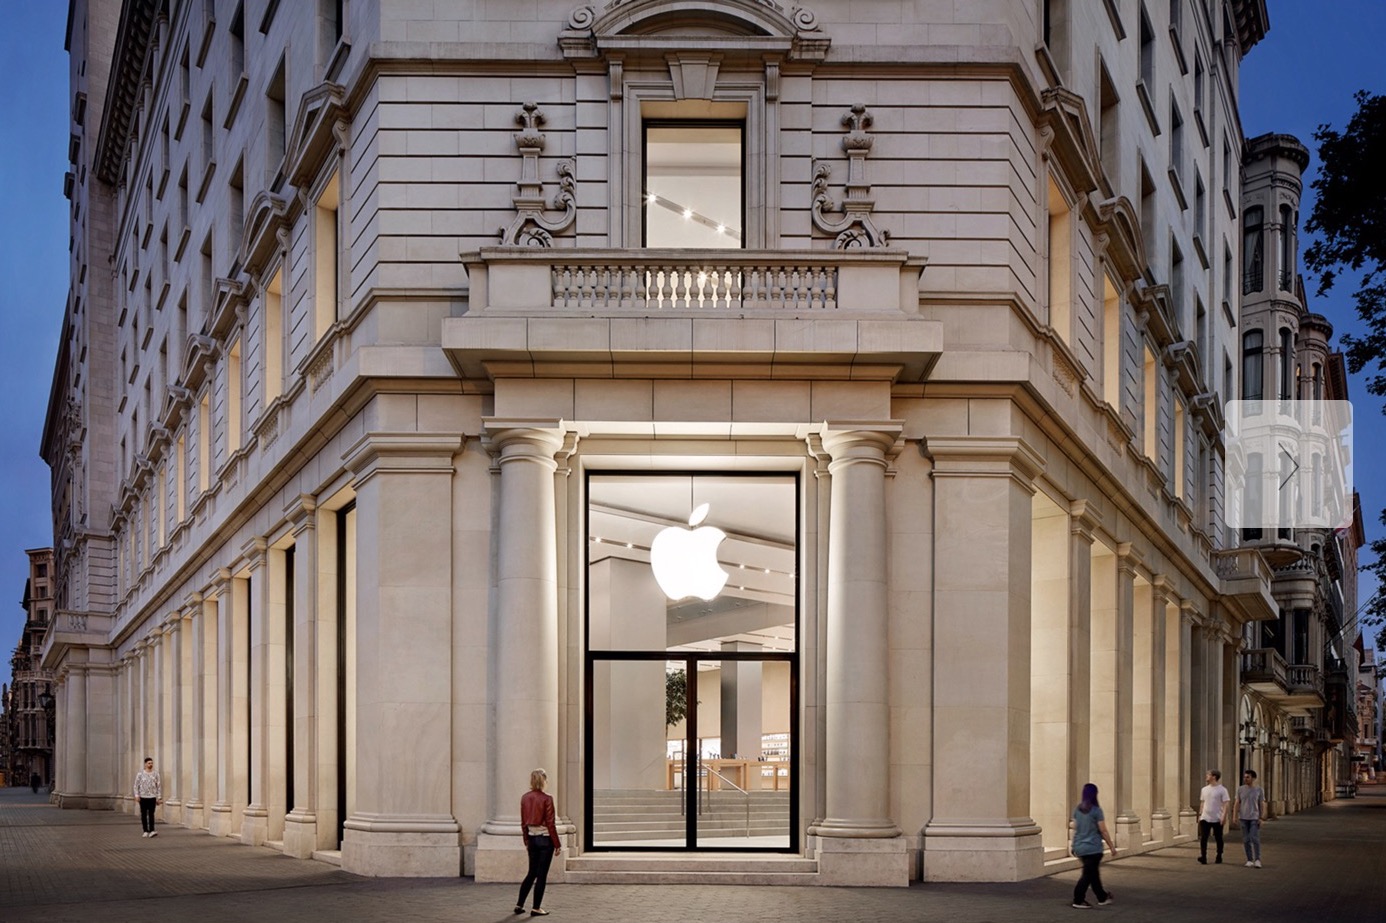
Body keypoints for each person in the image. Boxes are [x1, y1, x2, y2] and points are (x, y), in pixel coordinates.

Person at [514, 768, 561, 917]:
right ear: (544, 780)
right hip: (546, 840)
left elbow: (523, 823)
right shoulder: (547, 799)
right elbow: (550, 823)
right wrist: (557, 844)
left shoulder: (525, 798)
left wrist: (526, 840)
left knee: (531, 873)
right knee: (541, 875)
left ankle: (519, 904)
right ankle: (536, 908)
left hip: (532, 840)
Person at [1070, 782, 1117, 909]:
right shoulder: (1096, 811)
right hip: (1093, 848)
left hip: (1080, 846)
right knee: (1088, 875)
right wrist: (1111, 845)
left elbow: (1075, 828)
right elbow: (1103, 830)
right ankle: (1078, 899)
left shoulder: (1077, 810)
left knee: (1093, 873)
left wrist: (1073, 845)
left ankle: (1102, 897)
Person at [1235, 769, 1267, 868]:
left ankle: (1257, 859)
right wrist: (1234, 815)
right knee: (1246, 839)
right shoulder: (1240, 789)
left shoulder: (1259, 790)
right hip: (1243, 817)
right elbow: (1237, 802)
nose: (1245, 779)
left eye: (1248, 777)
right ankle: (1249, 859)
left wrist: (1262, 817)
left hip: (1254, 817)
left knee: (1254, 838)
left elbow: (1262, 803)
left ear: (1253, 778)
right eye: (1244, 777)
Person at [1197, 768, 1230, 864]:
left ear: (1214, 777)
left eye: (1208, 775)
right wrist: (1200, 814)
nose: (1206, 776)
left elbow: (1226, 804)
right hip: (1205, 817)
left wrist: (1224, 816)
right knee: (1203, 838)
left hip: (1217, 817)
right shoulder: (1204, 789)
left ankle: (1219, 855)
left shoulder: (1222, 790)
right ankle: (1203, 856)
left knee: (1218, 838)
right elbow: (1202, 802)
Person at [134, 757, 162, 838]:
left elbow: (159, 786)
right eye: (149, 763)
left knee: (151, 814)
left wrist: (159, 797)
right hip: (142, 797)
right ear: (145, 764)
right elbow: (136, 785)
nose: (151, 765)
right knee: (143, 814)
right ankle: (145, 830)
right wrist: (136, 795)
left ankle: (152, 830)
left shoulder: (156, 774)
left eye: (152, 763)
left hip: (152, 797)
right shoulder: (140, 774)